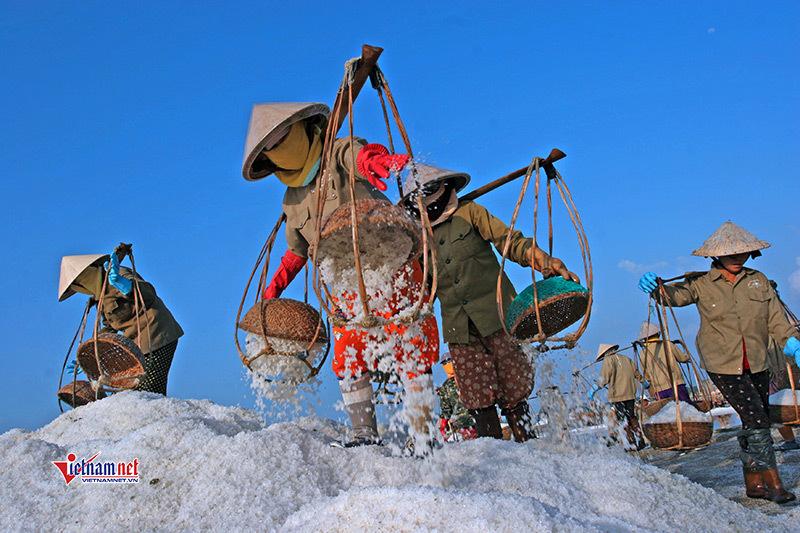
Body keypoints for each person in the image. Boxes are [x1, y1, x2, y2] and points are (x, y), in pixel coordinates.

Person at [242, 103, 439, 449]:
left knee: (410, 344)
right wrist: (274, 286)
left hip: (386, 263)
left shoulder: (335, 148)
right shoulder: (292, 199)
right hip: (345, 279)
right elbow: (297, 250)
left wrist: (371, 161)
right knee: (349, 353)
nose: (281, 146)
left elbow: (356, 154)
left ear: (301, 127)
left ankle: (424, 433)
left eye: (283, 135)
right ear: (268, 158)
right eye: (272, 144)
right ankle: (364, 433)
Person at [402, 163, 579, 443]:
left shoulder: (471, 212)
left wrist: (545, 261)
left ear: (445, 188)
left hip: (499, 318)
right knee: (478, 400)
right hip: (461, 331)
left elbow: (511, 242)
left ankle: (531, 452)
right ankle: (496, 463)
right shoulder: (420, 241)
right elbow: (422, 289)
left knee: (515, 391)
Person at [638, 221, 800, 504]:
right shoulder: (700, 283)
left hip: (758, 360)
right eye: (731, 253)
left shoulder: (758, 280)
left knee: (753, 419)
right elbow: (674, 297)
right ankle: (774, 484)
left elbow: (775, 318)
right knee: (758, 420)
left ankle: (752, 482)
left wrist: (792, 342)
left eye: (743, 252)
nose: (738, 257)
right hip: (723, 363)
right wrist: (656, 288)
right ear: (716, 256)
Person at [58, 251, 183, 395]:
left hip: (157, 334)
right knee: (128, 391)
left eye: (79, 283)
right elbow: (109, 327)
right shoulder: (101, 298)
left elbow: (148, 295)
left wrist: (126, 286)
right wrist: (91, 352)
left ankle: (160, 415)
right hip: (136, 344)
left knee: (148, 389)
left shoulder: (117, 274)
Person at [588, 344, 647, 450]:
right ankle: (641, 440)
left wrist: (593, 389)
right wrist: (645, 383)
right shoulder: (626, 359)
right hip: (630, 394)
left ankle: (632, 444)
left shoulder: (608, 361)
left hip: (617, 396)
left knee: (623, 420)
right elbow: (637, 374)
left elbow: (604, 379)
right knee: (632, 416)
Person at [633, 321, 693, 404]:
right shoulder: (667, 344)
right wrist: (687, 355)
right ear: (658, 334)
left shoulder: (643, 353)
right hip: (676, 384)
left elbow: (647, 375)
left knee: (668, 413)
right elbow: (683, 358)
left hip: (660, 390)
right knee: (686, 409)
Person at [437, 355, 477, 441]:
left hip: (465, 425)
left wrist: (443, 432)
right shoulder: (468, 378)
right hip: (480, 418)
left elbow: (445, 411)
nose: (447, 365)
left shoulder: (445, 387)